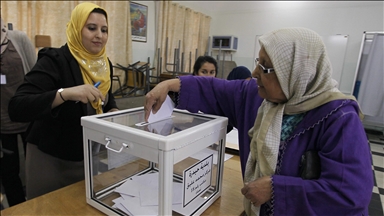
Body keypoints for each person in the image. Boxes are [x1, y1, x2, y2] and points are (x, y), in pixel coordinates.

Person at [144, 27, 373, 215]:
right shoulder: (256, 96)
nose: (254, 72)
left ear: (295, 73)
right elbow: (216, 89)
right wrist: (170, 84)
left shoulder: (339, 119)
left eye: (266, 67)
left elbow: (350, 195)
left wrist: (277, 190)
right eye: (258, 61)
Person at [8, 2, 119, 200]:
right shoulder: (54, 60)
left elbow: (107, 97)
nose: (99, 35)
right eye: (91, 28)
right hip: (51, 158)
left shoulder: (104, 64)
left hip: (87, 156)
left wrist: (112, 109)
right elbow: (18, 107)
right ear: (76, 28)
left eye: (104, 30)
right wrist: (65, 94)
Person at [0, 17, 36, 207]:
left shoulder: (18, 39)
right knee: (8, 169)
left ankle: (37, 202)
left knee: (34, 165)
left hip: (25, 114)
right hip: (2, 120)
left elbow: (34, 72)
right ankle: (16, 207)